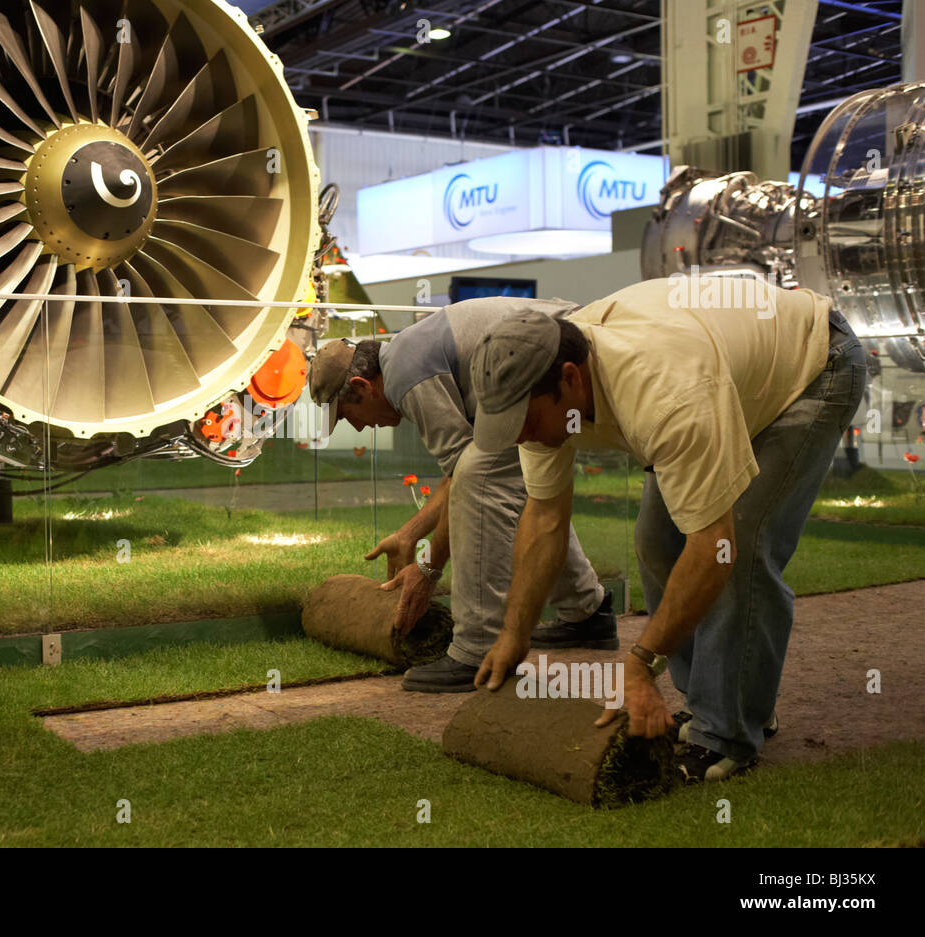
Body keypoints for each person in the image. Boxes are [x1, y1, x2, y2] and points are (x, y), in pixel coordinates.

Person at [471, 276, 865, 782]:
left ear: (570, 379)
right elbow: (544, 517)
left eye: (525, 422)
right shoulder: (538, 390)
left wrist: (637, 664)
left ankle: (726, 733)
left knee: (738, 552)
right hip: (723, 377)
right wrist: (513, 635)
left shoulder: (663, 394)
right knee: (656, 542)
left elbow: (713, 546)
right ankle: (720, 701)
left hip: (810, 367)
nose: (520, 437)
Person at [307, 298, 616, 695]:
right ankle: (587, 612)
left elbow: (465, 480)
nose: (361, 428)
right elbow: (459, 474)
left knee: (481, 479)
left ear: (364, 387)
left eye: (349, 416)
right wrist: (409, 535)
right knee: (522, 487)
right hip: (555, 357)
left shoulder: (406, 376)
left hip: (551, 365)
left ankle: (477, 648)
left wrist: (429, 568)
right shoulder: (406, 355)